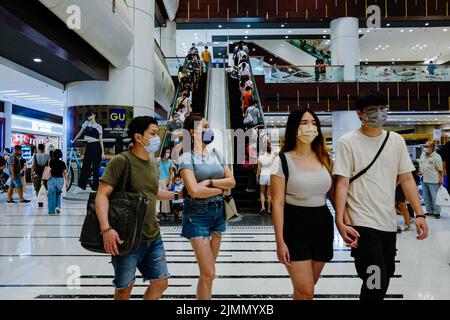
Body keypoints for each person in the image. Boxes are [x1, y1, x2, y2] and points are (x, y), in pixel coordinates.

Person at [333, 90, 428, 301]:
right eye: (372, 110)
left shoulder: (396, 140)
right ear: (359, 114)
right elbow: (342, 183)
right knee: (374, 281)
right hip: (362, 224)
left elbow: (407, 179)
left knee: (385, 278)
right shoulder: (347, 142)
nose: (379, 114)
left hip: (387, 224)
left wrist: (419, 215)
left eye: (382, 109)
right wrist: (340, 220)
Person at [96, 116, 181, 300]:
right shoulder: (121, 161)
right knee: (124, 289)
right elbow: (102, 194)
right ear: (138, 137)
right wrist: (106, 229)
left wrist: (177, 195)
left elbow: (153, 192)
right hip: (126, 237)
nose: (157, 137)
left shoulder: (153, 163)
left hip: (152, 235)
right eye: (152, 133)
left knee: (160, 283)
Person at [271, 108, 335, 300]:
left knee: (306, 289)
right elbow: (278, 203)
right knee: (306, 290)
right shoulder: (281, 160)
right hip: (294, 224)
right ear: (294, 128)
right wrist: (279, 242)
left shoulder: (325, 158)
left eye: (314, 123)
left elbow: (333, 194)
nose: (310, 127)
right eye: (304, 123)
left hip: (322, 223)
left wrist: (344, 222)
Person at [178, 113, 236, 300]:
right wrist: (220, 189)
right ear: (191, 133)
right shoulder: (186, 157)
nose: (208, 130)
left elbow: (232, 181)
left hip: (218, 214)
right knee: (210, 272)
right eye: (203, 127)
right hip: (197, 216)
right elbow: (194, 191)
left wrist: (209, 182)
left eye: (208, 126)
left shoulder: (216, 153)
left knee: (207, 275)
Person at [71, 110, 105, 192]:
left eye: (90, 115)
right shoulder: (86, 123)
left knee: (95, 169)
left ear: (94, 115)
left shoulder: (99, 127)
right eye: (88, 116)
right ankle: (81, 187)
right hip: (89, 146)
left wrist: (103, 152)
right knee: (85, 166)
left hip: (97, 147)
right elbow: (80, 133)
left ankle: (95, 188)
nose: (89, 117)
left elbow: (101, 140)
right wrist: (74, 140)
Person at [419, 141, 444, 219]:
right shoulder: (422, 155)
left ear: (432, 148)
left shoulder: (436, 157)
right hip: (424, 179)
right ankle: (429, 211)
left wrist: (441, 179)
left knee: (435, 196)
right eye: (425, 146)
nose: (425, 148)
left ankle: (437, 212)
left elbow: (440, 169)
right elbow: (421, 165)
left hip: (433, 179)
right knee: (426, 196)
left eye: (427, 146)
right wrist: (420, 172)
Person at [47, 149, 68, 215]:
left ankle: (51, 211)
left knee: (51, 195)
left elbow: (48, 171)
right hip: (60, 180)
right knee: (58, 194)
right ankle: (58, 207)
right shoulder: (62, 163)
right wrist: (66, 182)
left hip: (51, 179)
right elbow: (65, 173)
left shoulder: (50, 162)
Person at [157, 147, 176, 219]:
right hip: (158, 180)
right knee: (157, 197)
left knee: (165, 198)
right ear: (163, 152)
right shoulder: (158, 160)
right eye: (166, 152)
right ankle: (157, 213)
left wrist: (170, 182)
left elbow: (171, 173)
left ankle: (165, 213)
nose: (167, 154)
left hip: (166, 181)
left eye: (169, 152)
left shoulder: (170, 161)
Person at [257, 142, 274, 215]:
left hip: (263, 175)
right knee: (269, 194)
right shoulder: (272, 156)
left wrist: (257, 176)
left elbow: (258, 168)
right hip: (270, 175)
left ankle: (263, 207)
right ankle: (269, 209)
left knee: (262, 192)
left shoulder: (260, 157)